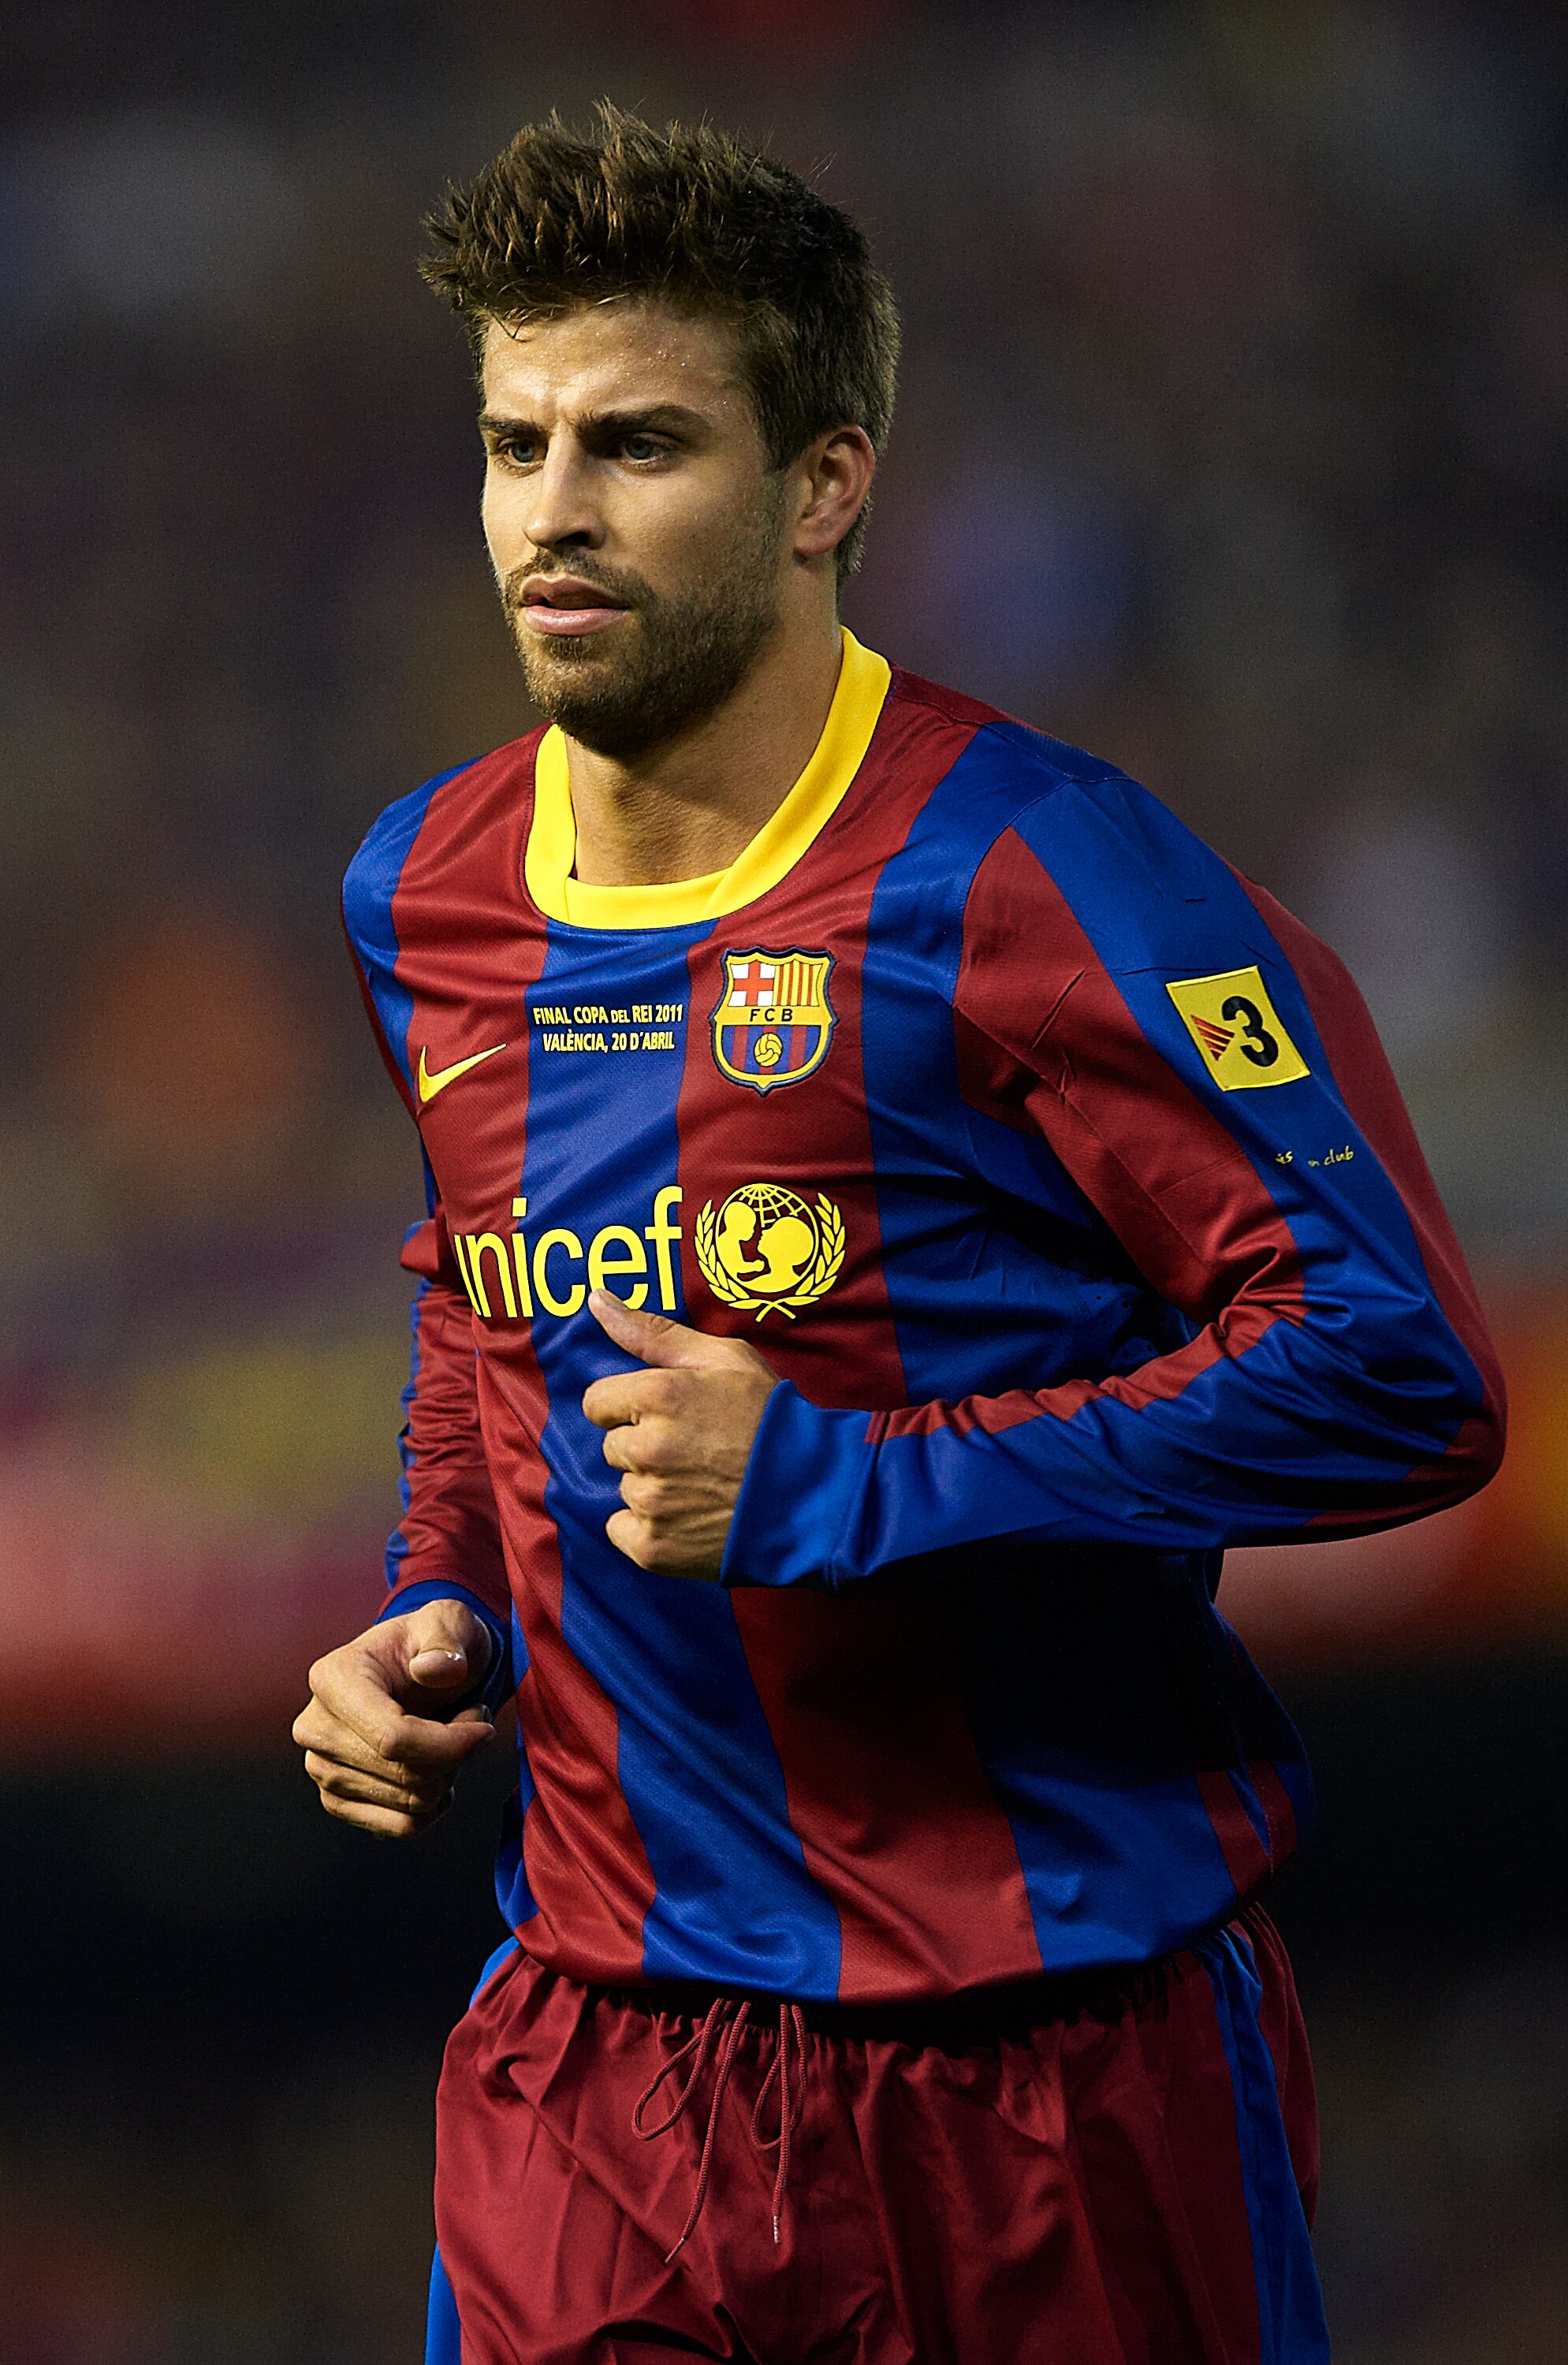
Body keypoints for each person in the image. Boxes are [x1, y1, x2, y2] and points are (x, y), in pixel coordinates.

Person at [294, 105, 1505, 2365]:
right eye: (512, 443)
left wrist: (859, 1489)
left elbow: (1396, 1367)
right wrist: (437, 1596)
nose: (550, 514)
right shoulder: (420, 893)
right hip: (602, 2063)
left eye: (636, 444)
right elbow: (481, 1313)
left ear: (824, 483)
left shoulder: (1047, 872)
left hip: (1050, 2060)